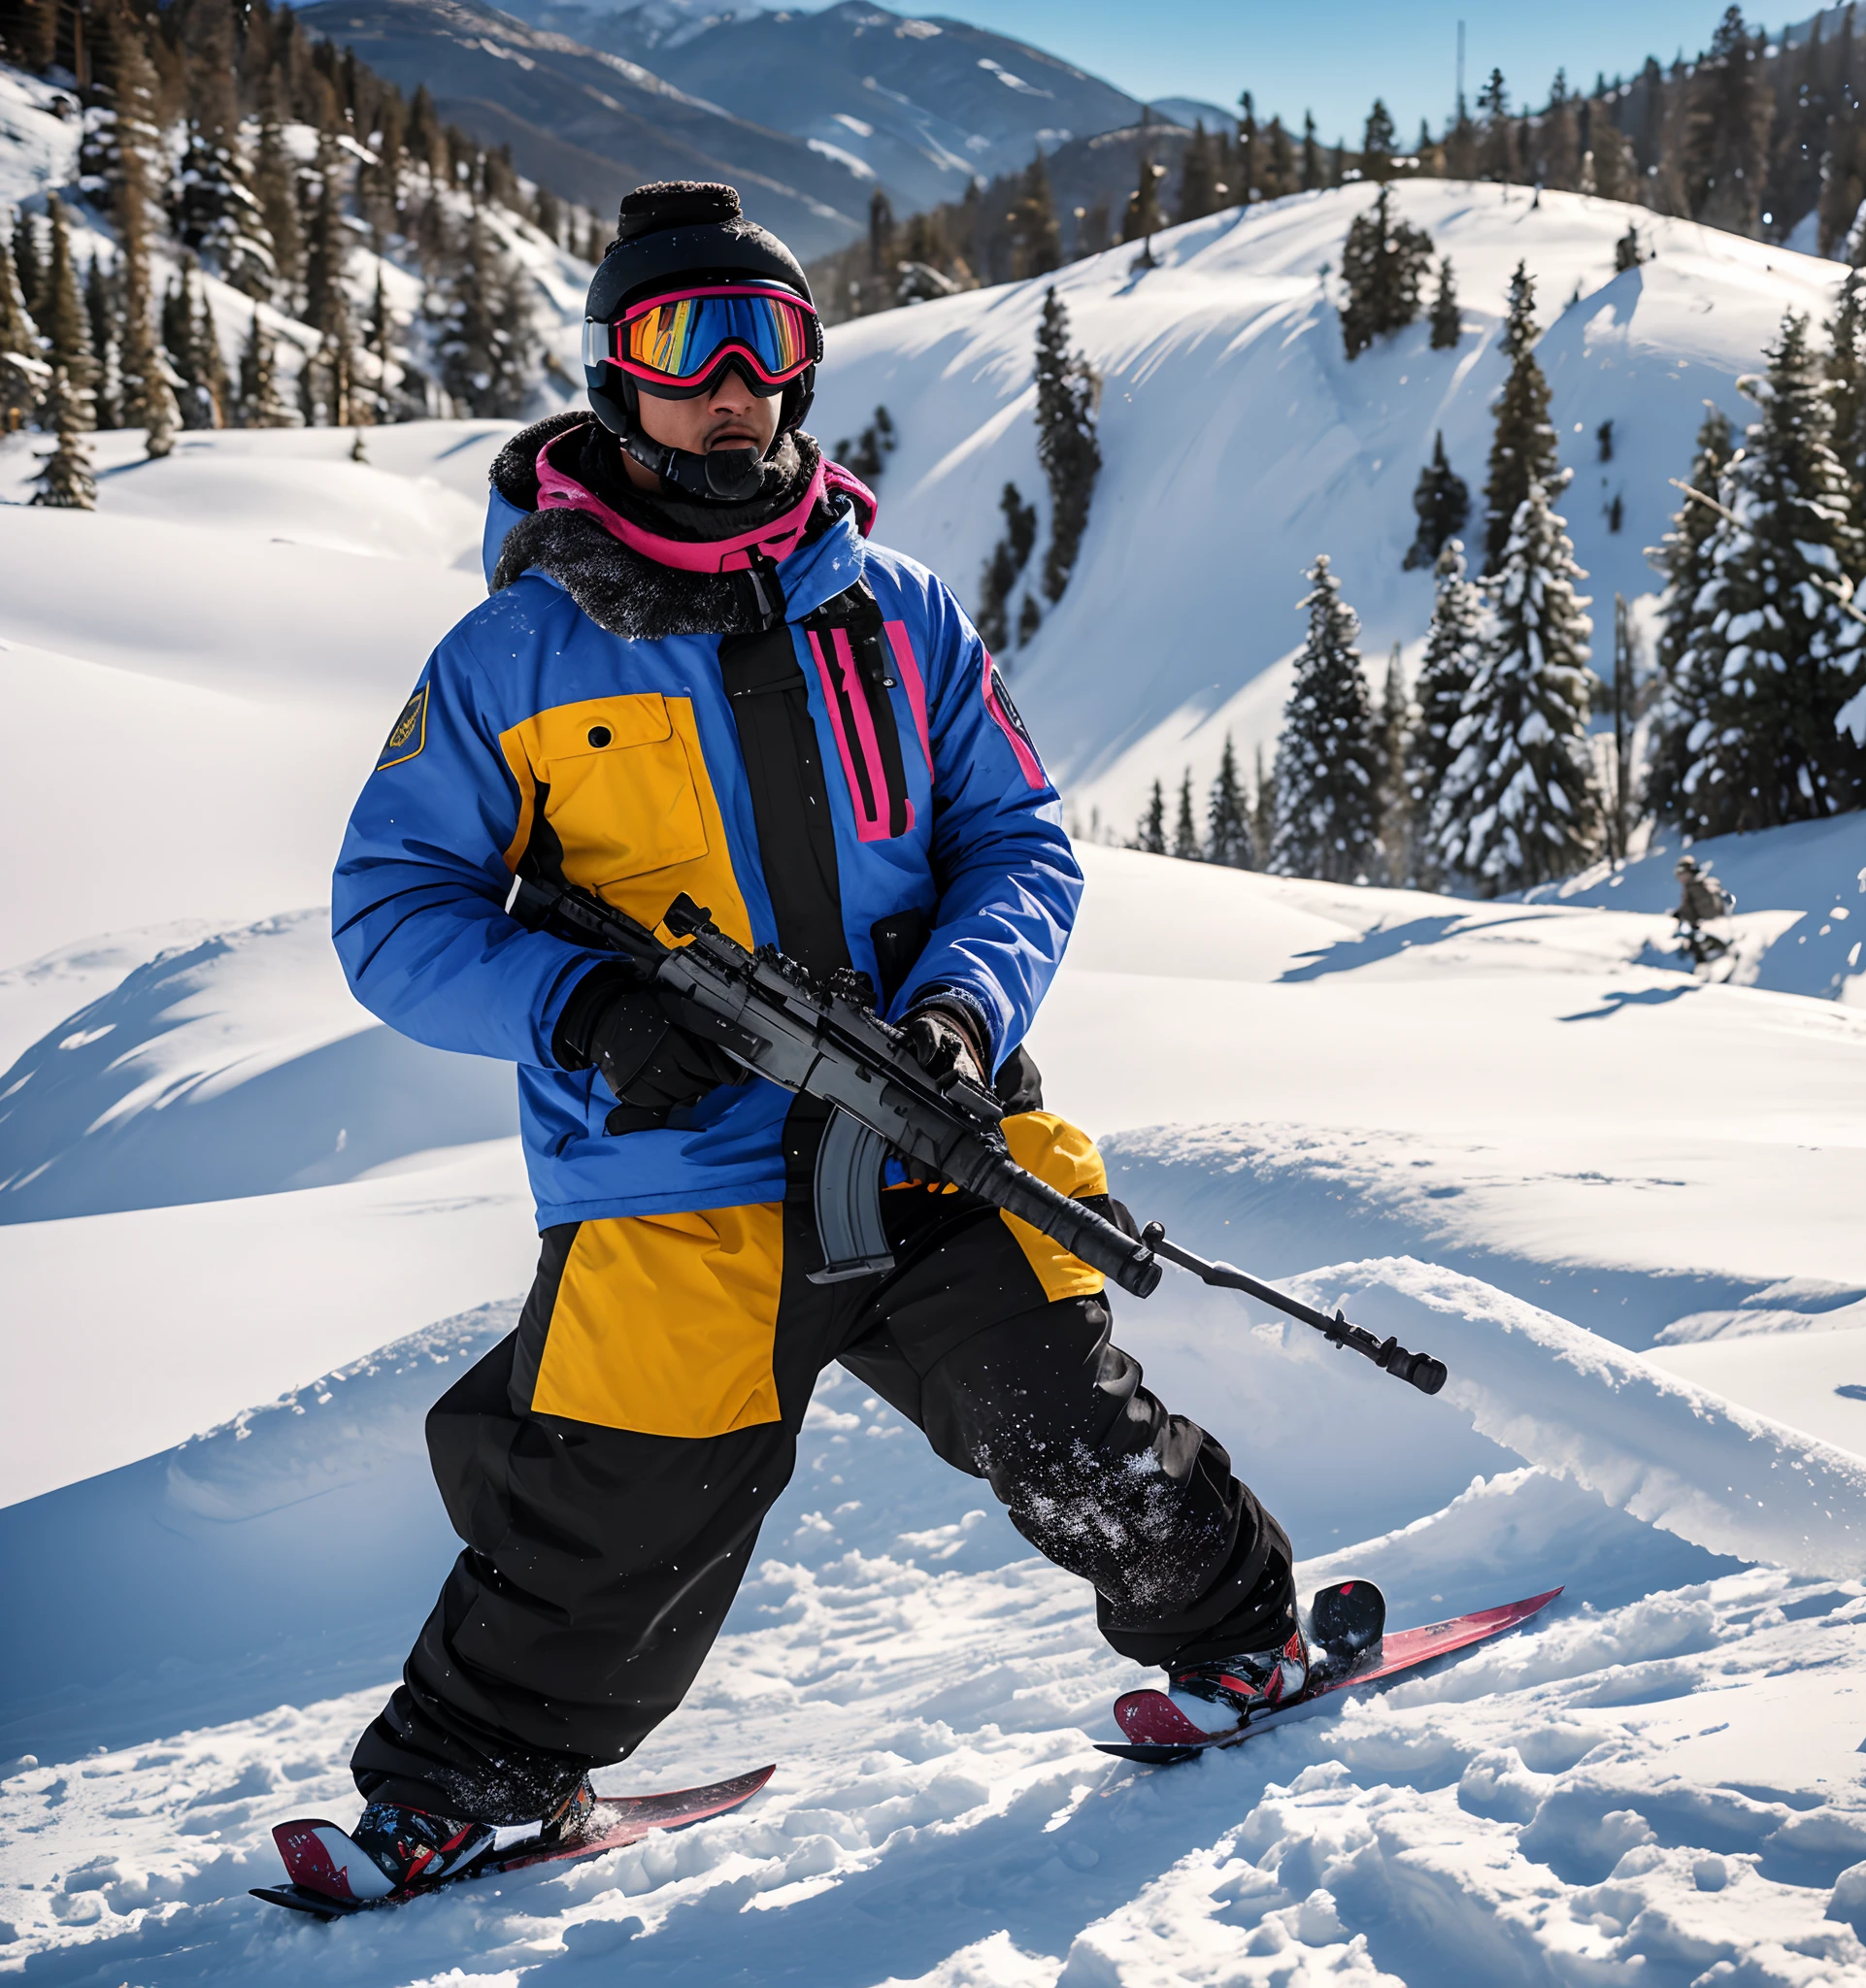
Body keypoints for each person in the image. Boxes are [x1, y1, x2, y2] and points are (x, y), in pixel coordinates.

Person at [307, 181, 1310, 1904]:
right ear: (614, 375)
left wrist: (963, 1008)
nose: (727, 384)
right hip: (672, 1169)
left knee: (1076, 1425)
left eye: (761, 343)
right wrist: (581, 1004)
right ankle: (463, 1790)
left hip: (926, 1125)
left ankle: (1239, 1643)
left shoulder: (897, 612)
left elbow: (1020, 840)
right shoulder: (513, 653)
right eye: (680, 344)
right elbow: (391, 913)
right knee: (610, 1508)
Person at [1673, 853, 1735, 966]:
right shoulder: (1702, 882)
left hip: (1708, 927)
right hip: (1714, 925)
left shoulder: (1694, 886)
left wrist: (1687, 918)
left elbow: (1695, 908)